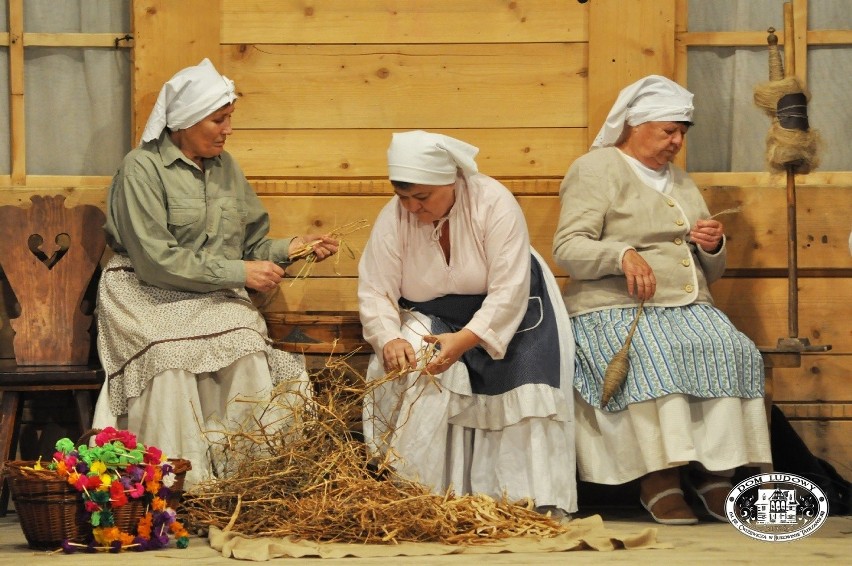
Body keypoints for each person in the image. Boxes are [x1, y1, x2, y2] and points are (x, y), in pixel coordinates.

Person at [91, 58, 338, 488]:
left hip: (211, 294)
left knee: (244, 343)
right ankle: (175, 483)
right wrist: (238, 272)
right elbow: (155, 260)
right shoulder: (141, 169)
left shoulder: (226, 169)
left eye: (230, 119)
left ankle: (251, 482)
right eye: (218, 120)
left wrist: (291, 249)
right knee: (167, 355)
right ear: (185, 121)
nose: (228, 129)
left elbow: (250, 246)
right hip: (144, 290)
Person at [552, 75, 772, 525]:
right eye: (669, 131)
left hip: (687, 305)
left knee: (735, 351)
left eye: (682, 133)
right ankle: (659, 480)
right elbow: (568, 248)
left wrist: (711, 246)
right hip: (612, 306)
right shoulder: (596, 169)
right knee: (655, 355)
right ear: (635, 124)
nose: (677, 141)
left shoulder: (682, 181)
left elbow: (706, 267)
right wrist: (621, 254)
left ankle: (716, 476)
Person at [358, 130, 577, 518]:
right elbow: (376, 288)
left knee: (525, 390)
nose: (411, 207)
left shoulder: (493, 201)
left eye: (421, 197)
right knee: (416, 361)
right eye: (403, 196)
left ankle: (518, 503)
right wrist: (388, 337)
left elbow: (510, 286)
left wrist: (467, 338)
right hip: (433, 313)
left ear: (451, 181)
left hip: (513, 309)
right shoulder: (394, 215)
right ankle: (417, 496)